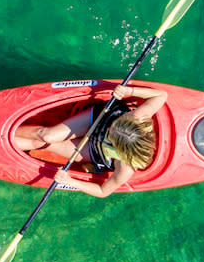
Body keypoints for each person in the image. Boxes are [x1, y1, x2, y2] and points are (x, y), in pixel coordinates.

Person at [13, 83, 167, 197]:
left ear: (119, 148)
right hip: (100, 118)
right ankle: (6, 129)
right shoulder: (138, 116)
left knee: (42, 144)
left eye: (111, 135)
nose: (108, 130)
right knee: (46, 135)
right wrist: (128, 90)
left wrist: (71, 181)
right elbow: (161, 95)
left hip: (95, 149)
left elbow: (103, 191)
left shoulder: (125, 167)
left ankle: (1, 141)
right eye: (114, 125)